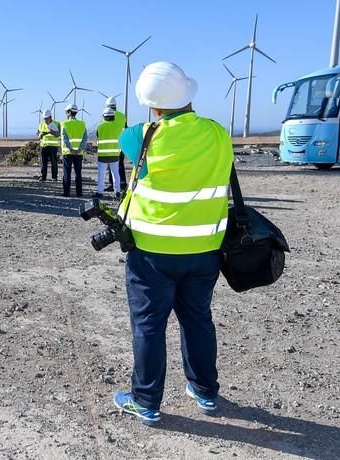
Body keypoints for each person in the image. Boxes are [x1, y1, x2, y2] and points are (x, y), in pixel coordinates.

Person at [112, 62, 233, 426]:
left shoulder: (142, 136)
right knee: (198, 320)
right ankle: (205, 391)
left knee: (149, 325)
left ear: (152, 105)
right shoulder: (218, 133)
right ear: (189, 95)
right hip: (205, 251)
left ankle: (145, 400)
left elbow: (125, 137)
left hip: (151, 254)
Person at [94, 107, 124, 199]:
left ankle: (100, 192)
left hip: (103, 155)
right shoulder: (119, 127)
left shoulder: (99, 126)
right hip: (115, 154)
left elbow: (98, 137)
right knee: (116, 173)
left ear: (104, 116)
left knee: (101, 174)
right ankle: (117, 191)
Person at [60, 104, 87, 197]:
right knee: (78, 173)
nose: (65, 114)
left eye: (66, 112)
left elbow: (65, 138)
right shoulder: (82, 124)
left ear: (69, 112)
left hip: (68, 153)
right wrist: (79, 149)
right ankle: (79, 192)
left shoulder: (64, 124)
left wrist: (71, 149)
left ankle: (66, 193)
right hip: (79, 153)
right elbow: (84, 139)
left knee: (67, 173)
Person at [105, 97, 127, 192]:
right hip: (121, 144)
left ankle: (112, 184)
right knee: (120, 164)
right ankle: (122, 184)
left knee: (111, 165)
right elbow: (125, 128)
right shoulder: (122, 116)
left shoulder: (107, 114)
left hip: (110, 145)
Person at [37, 109, 60, 182]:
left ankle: (54, 177)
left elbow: (58, 134)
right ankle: (43, 177)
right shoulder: (41, 124)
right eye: (44, 119)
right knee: (43, 162)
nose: (45, 120)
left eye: (46, 118)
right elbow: (37, 133)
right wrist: (40, 135)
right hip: (44, 146)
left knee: (54, 162)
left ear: (50, 117)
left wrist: (52, 132)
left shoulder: (57, 124)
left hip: (53, 146)